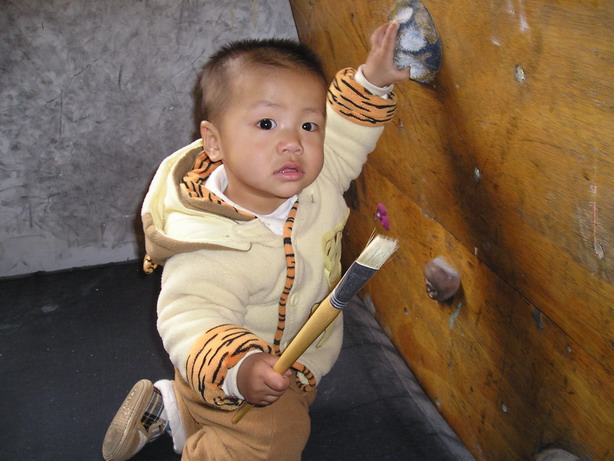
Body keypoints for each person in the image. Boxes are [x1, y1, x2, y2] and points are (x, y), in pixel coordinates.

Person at [102, 21, 409, 461]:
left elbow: (345, 132)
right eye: (267, 123)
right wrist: (239, 368)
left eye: (309, 125)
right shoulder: (206, 243)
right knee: (274, 438)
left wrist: (373, 80)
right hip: (227, 366)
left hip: (293, 366)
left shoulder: (320, 182)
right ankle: (203, 425)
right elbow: (190, 317)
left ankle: (175, 410)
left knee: (288, 409)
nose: (293, 143)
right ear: (214, 142)